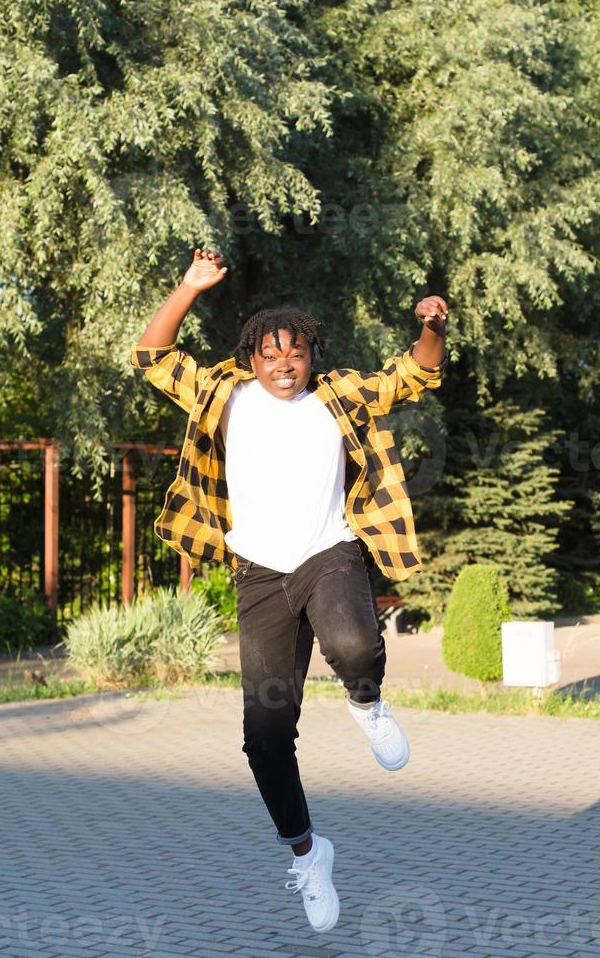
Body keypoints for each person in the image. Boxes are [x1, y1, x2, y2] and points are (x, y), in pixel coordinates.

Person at [131, 248, 450, 933]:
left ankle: (367, 703)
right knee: (265, 738)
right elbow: (153, 356)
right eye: (270, 353)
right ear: (252, 358)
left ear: (312, 355)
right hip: (257, 576)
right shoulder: (225, 393)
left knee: (355, 644)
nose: (283, 364)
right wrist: (189, 287)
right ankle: (308, 854)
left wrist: (432, 326)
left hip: (327, 554)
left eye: (295, 352)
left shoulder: (339, 394)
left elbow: (418, 373)